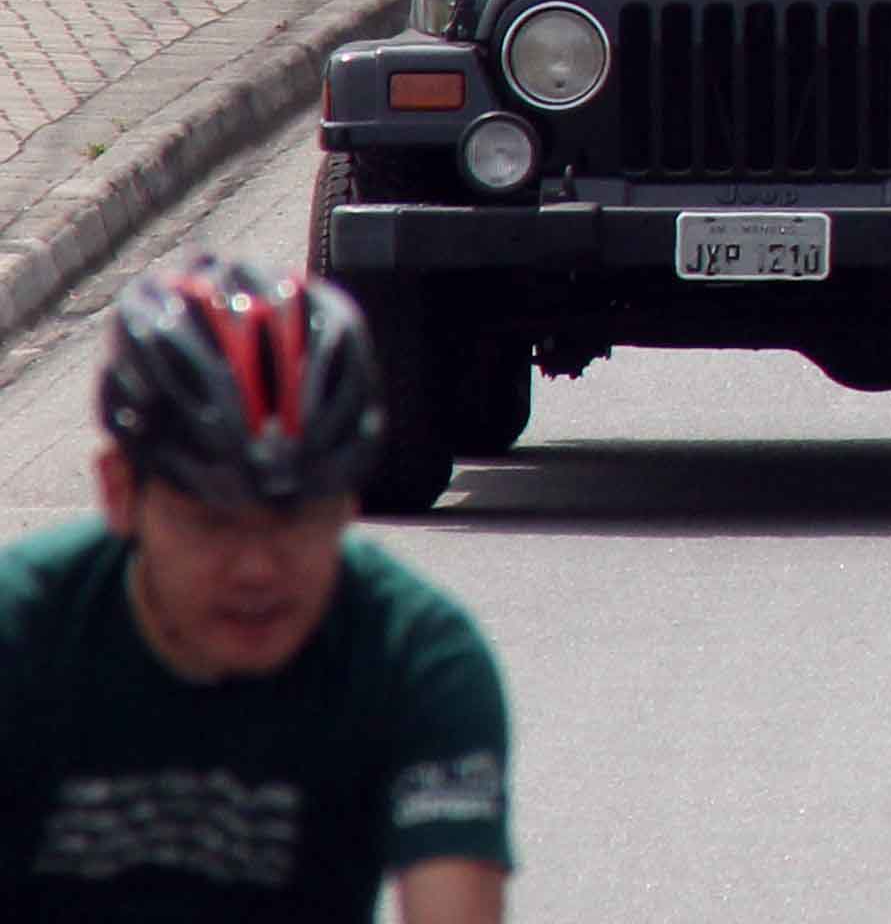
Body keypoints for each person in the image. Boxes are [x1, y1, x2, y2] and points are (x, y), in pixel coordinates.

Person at [6, 256, 513, 923]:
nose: (257, 570)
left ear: (348, 503)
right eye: (213, 522)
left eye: (295, 518)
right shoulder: (21, 634)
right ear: (120, 493)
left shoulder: (417, 657)